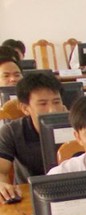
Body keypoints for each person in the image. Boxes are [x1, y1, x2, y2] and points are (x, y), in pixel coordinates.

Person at [0, 72, 65, 201]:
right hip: (31, 196)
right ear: (25, 108)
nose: (52, 110)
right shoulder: (11, 131)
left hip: (70, 193)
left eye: (56, 102)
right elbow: (1, 171)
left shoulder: (79, 127)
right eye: (43, 104)